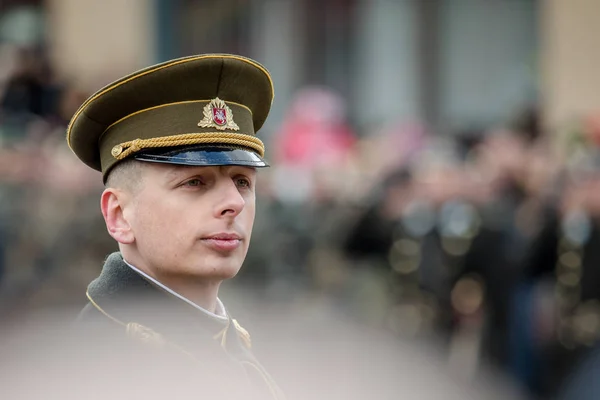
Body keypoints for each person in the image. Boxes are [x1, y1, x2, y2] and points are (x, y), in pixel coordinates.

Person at [65, 54, 284, 399]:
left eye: (243, 182)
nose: (235, 202)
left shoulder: (218, 336)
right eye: (195, 182)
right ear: (119, 215)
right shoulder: (103, 366)